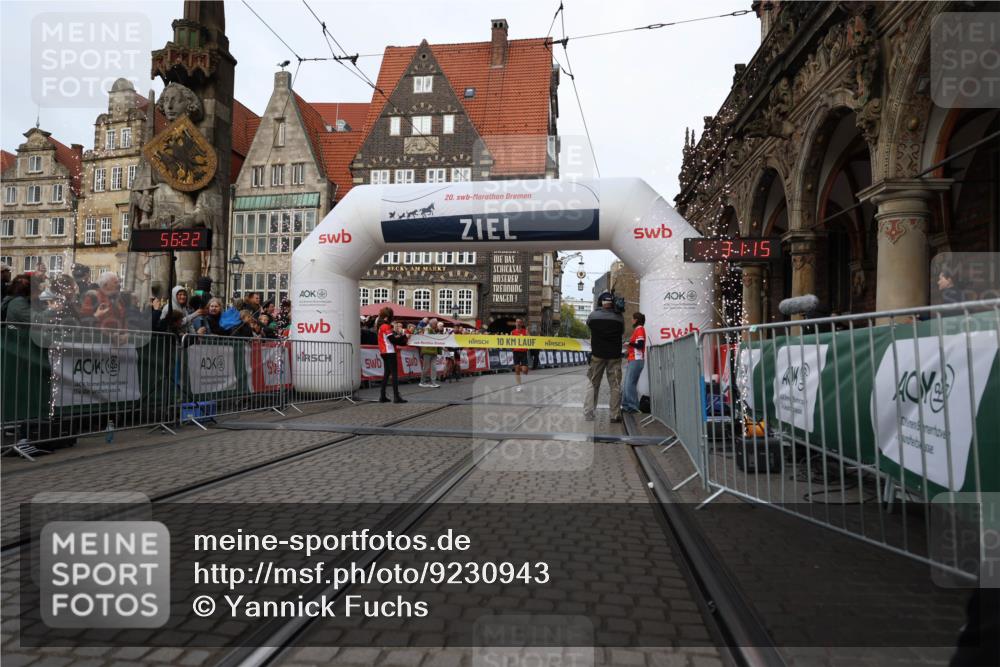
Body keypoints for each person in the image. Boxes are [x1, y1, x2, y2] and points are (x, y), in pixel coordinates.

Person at [584, 291, 625, 423]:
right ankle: (614, 414)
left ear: (600, 302)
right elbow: (622, 331)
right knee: (615, 385)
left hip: (597, 355)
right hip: (614, 356)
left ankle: (589, 412)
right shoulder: (619, 318)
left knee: (593, 383)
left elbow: (588, 324)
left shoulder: (593, 316)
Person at [377, 306, 409, 403]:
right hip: (390, 352)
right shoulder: (386, 326)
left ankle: (382, 396)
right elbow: (393, 340)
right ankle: (396, 396)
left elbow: (391, 339)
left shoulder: (380, 326)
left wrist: (401, 337)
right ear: (388, 316)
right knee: (394, 375)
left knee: (386, 374)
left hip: (384, 352)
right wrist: (404, 336)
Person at [621, 312, 647, 414]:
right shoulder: (638, 329)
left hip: (637, 360)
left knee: (629, 384)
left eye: (632, 319)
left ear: (636, 320)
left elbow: (640, 345)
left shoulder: (640, 329)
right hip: (634, 359)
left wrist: (629, 343)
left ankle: (633, 407)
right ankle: (626, 405)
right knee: (627, 384)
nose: (631, 320)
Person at [419, 318, 440, 388]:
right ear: (432, 323)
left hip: (433, 351)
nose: (436, 325)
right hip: (427, 351)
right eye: (436, 324)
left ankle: (433, 382)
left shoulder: (433, 329)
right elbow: (426, 338)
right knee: (426, 367)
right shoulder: (427, 329)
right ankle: (422, 382)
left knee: (433, 367)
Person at [511, 317, 530, 392]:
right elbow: (509, 341)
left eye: (519, 322)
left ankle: (525, 369)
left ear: (521, 324)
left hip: (523, 352)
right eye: (517, 322)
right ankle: (519, 385)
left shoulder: (525, 331)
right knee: (516, 369)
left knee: (524, 371)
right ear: (515, 323)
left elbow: (531, 340)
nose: (518, 323)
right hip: (516, 352)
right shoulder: (512, 332)